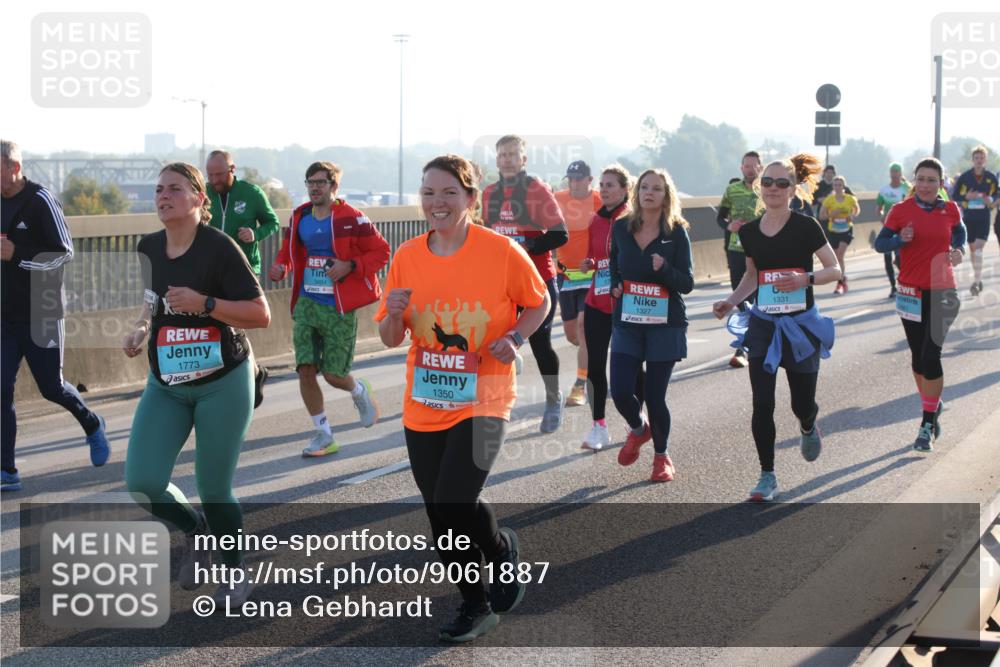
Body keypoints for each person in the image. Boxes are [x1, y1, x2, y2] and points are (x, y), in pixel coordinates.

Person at [376, 154, 550, 642]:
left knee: (454, 501)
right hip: (425, 400)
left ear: (471, 199)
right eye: (429, 193)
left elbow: (539, 301)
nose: (437, 202)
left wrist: (515, 337)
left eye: (449, 192)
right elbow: (392, 337)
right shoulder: (407, 256)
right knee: (440, 510)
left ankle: (481, 591)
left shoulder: (500, 251)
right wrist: (392, 313)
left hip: (485, 395)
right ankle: (494, 563)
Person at [122, 162, 270, 606]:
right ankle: (195, 530)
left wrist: (206, 303)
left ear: (199, 199)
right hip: (167, 381)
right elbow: (152, 301)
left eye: (174, 189)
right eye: (158, 190)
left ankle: (233, 570)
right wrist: (141, 327)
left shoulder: (220, 248)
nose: (163, 196)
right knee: (143, 481)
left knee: (213, 486)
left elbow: (260, 314)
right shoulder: (148, 246)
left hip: (223, 379)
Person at [712, 154, 842, 502]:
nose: (773, 188)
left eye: (781, 183)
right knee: (762, 403)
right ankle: (767, 475)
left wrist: (805, 278)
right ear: (759, 187)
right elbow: (752, 276)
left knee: (802, 402)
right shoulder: (751, 232)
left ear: (793, 188)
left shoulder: (806, 227)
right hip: (765, 325)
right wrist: (730, 300)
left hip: (800, 326)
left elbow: (834, 270)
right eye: (767, 182)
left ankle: (807, 424)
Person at [1, 139, 110, 493]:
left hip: (42, 309)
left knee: (51, 387)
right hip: (5, 314)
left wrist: (16, 253)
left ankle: (92, 424)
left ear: (13, 167)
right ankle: (6, 470)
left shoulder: (40, 200)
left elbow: (63, 254)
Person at [269, 161, 388, 457]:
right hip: (308, 302)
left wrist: (350, 265)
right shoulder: (300, 217)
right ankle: (323, 434)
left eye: (321, 182)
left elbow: (382, 251)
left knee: (334, 374)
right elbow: (288, 249)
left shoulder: (352, 217)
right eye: (310, 182)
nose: (314, 188)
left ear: (334, 186)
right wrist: (282, 265)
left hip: (339, 305)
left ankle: (359, 390)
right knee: (305, 369)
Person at [876, 157, 966, 452]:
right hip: (910, 293)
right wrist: (899, 239)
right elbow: (881, 244)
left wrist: (958, 249)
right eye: (921, 179)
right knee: (917, 358)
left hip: (944, 292)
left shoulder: (949, 209)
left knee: (930, 355)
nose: (926, 185)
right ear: (913, 181)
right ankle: (933, 404)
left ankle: (927, 423)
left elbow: (960, 231)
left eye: (932, 180)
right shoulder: (901, 210)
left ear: (941, 183)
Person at [609, 169, 693, 483]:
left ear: (665, 195)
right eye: (644, 187)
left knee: (655, 397)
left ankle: (661, 457)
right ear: (636, 192)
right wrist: (616, 285)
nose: (649, 193)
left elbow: (687, 282)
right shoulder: (620, 228)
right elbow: (614, 267)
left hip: (665, 325)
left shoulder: (677, 231)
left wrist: (665, 269)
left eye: (656, 189)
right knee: (619, 391)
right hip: (628, 322)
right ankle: (637, 429)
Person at [482, 135, 568, 433]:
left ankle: (553, 397)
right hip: (501, 283)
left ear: (523, 159)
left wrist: (525, 246)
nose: (507, 159)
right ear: (497, 160)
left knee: (541, 344)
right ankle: (493, 408)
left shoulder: (536, 189)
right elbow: (488, 235)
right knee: (491, 340)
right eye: (502, 154)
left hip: (537, 279)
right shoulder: (489, 193)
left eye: (512, 154)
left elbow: (560, 234)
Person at [205, 150, 282, 408]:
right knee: (220, 326)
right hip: (212, 270)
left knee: (234, 325)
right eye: (211, 174)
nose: (214, 179)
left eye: (219, 174)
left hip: (246, 269)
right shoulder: (203, 194)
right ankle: (250, 373)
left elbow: (273, 222)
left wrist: (255, 233)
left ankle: (249, 373)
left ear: (232, 169)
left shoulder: (251, 193)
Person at [579, 164, 642, 450]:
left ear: (625, 189)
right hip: (597, 300)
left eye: (610, 185)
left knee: (630, 364)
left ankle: (635, 418)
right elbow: (595, 257)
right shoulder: (595, 220)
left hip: (625, 301)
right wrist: (589, 264)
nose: (603, 189)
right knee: (594, 364)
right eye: (601, 185)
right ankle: (598, 426)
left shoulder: (633, 220)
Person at [553, 160, 601, 407]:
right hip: (565, 276)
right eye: (570, 179)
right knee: (573, 335)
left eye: (578, 179)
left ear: (589, 180)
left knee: (583, 329)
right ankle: (594, 355)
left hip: (591, 276)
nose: (574, 184)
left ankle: (580, 385)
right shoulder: (558, 198)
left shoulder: (599, 201)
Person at [717, 151, 763, 368]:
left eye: (754, 166)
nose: (750, 169)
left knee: (758, 296)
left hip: (762, 249)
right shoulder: (731, 190)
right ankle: (746, 341)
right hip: (737, 249)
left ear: (760, 168)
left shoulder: (767, 190)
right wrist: (729, 225)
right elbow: (720, 216)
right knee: (740, 297)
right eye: (747, 166)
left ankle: (752, 342)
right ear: (741, 168)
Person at [951, 145, 997, 297]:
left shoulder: (991, 177)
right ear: (972, 160)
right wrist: (967, 197)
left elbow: (997, 194)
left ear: (985, 159)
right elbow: (955, 195)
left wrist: (990, 199)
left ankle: (976, 281)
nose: (979, 160)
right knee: (972, 249)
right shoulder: (965, 177)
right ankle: (978, 278)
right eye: (976, 158)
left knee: (978, 248)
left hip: (984, 217)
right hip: (969, 217)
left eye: (982, 158)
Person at [818, 175, 860, 295]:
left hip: (846, 229)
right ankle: (842, 278)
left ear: (843, 186)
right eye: (835, 185)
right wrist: (832, 215)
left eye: (839, 185)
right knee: (836, 257)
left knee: (840, 255)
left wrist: (852, 215)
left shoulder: (850, 199)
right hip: (833, 230)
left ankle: (840, 283)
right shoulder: (829, 200)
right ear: (833, 186)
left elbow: (857, 209)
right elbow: (821, 216)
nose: (837, 187)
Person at [875, 163, 910, 298]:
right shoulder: (884, 190)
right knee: (887, 257)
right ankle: (893, 287)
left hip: (903, 229)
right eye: (892, 172)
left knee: (901, 258)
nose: (894, 174)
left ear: (901, 173)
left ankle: (906, 282)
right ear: (890, 173)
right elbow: (878, 210)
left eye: (897, 172)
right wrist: (882, 216)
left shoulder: (907, 188)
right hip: (889, 229)